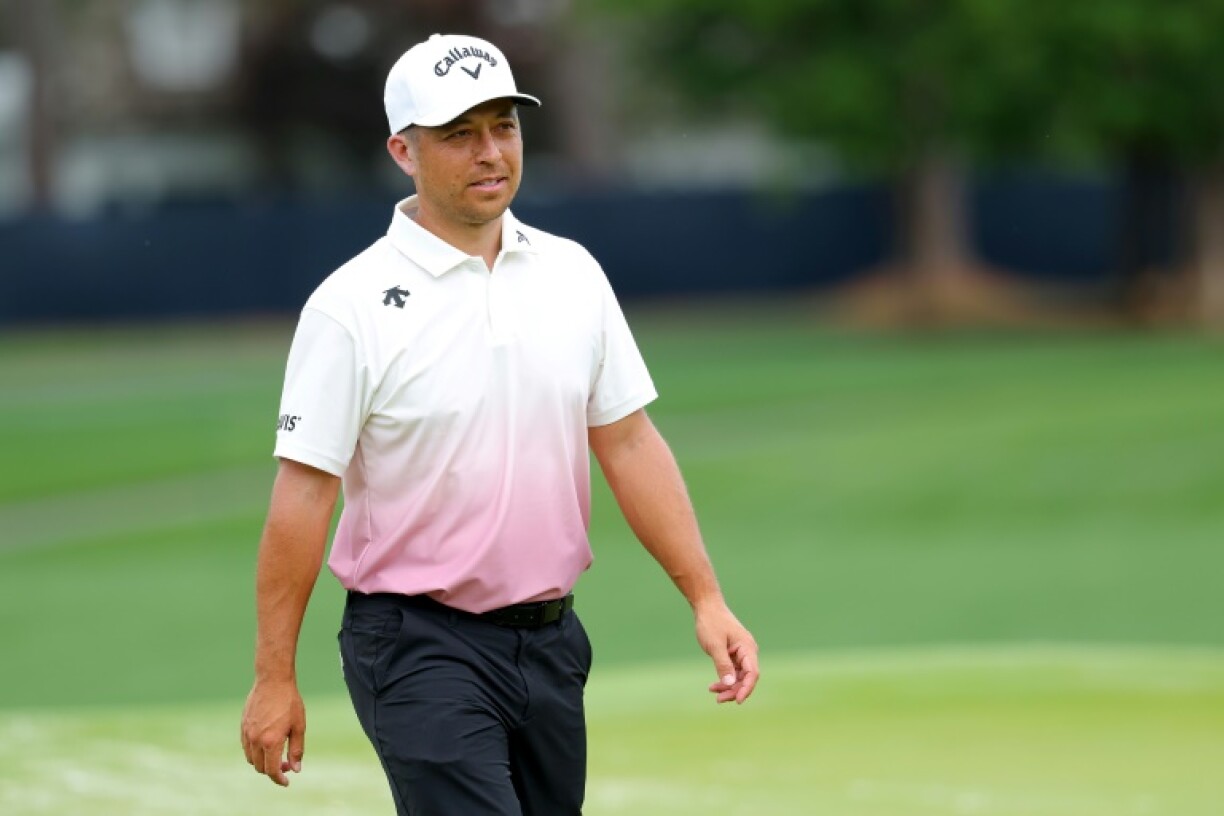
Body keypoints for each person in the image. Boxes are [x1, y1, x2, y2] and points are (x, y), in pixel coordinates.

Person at [240, 32, 759, 815]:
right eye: (459, 134)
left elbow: (627, 440)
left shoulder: (572, 273)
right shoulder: (349, 307)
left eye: (504, 127)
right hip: (417, 645)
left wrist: (706, 598)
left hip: (550, 642)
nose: (490, 152)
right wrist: (274, 675)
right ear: (402, 150)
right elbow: (305, 496)